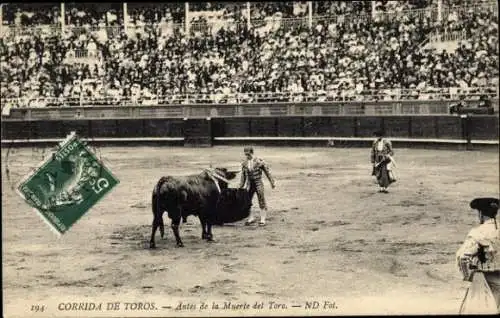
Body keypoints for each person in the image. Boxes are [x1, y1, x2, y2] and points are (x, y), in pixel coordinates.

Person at [456, 197, 500, 314]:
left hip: (485, 279)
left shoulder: (478, 232)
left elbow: (462, 256)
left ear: (481, 214)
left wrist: (467, 276)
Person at [239, 146, 276, 226]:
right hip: (249, 183)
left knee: (261, 199)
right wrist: (241, 185)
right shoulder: (245, 163)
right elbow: (243, 176)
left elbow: (267, 172)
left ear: (252, 153)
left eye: (248, 154)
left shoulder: (259, 161)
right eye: (246, 154)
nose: (247, 156)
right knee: (248, 200)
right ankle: (251, 218)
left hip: (258, 182)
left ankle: (262, 219)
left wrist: (272, 182)